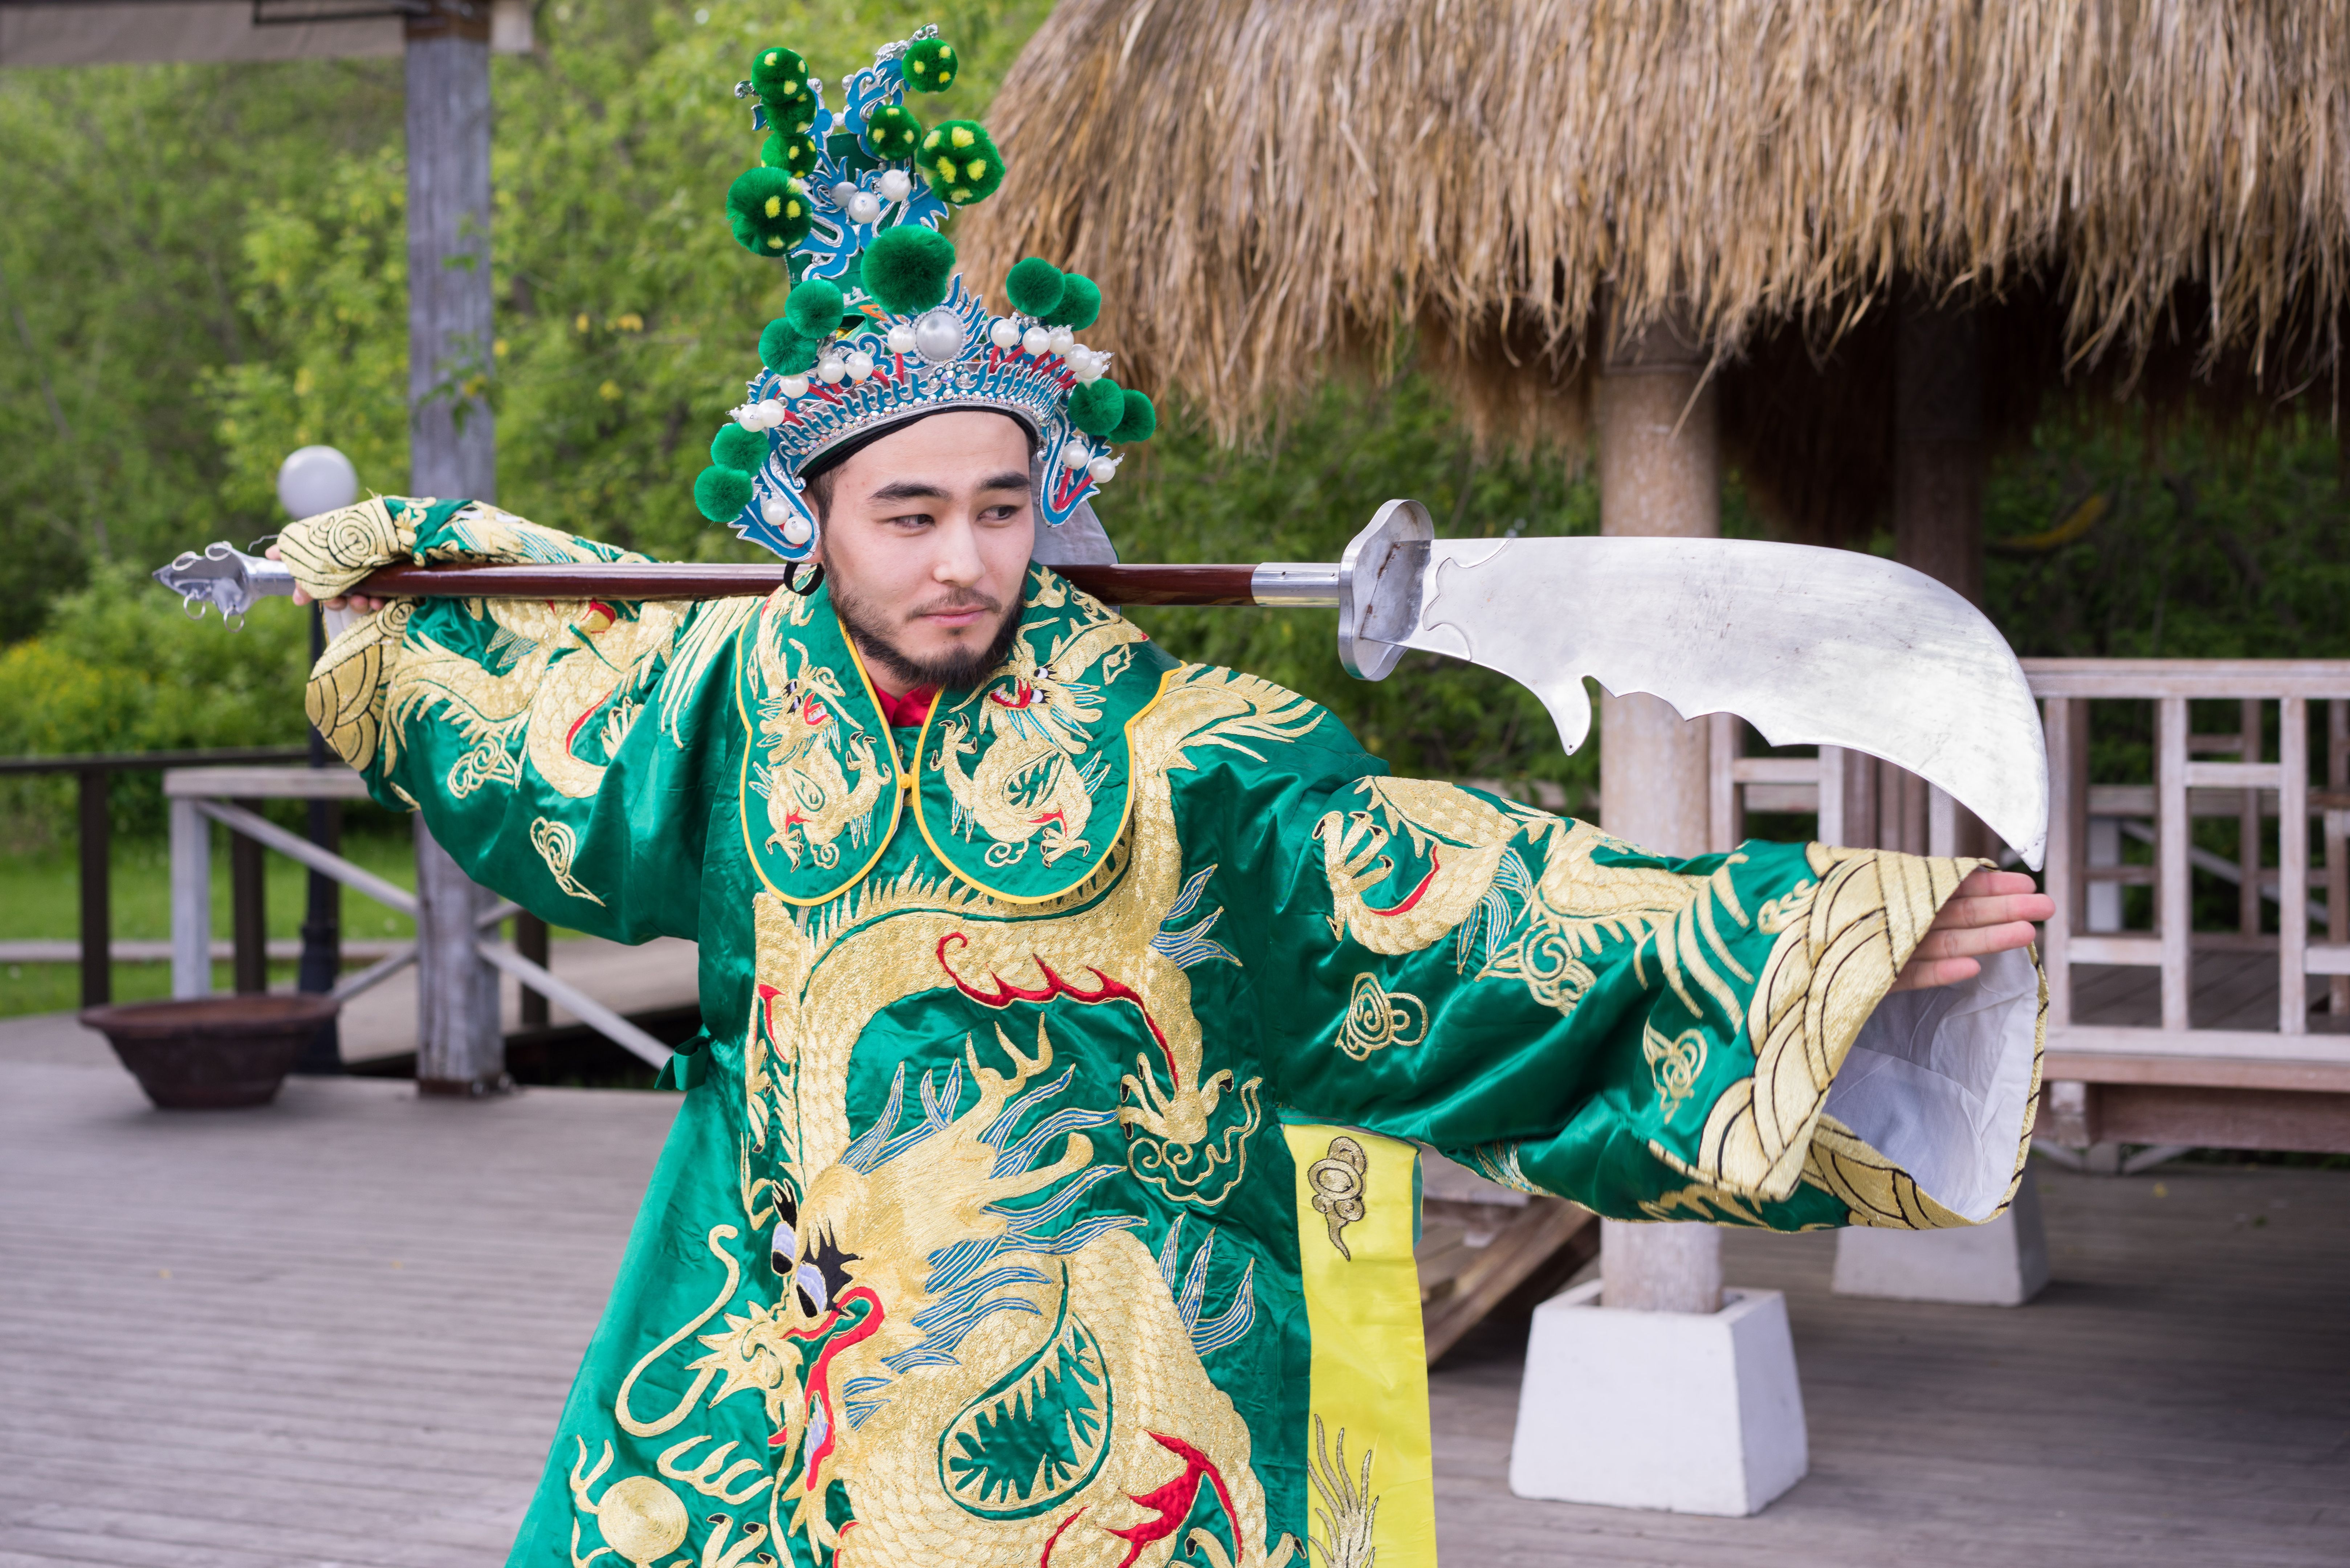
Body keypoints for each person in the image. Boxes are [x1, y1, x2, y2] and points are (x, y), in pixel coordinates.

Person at [270, 29, 2050, 1568]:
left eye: (1001, 503)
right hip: (770, 1366)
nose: (967, 559)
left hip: (1112, 1412)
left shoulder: (1184, 752)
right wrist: (386, 583)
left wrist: (1807, 943)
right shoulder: (724, 699)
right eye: (907, 515)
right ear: (802, 523)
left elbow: (1455, 905)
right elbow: (535, 696)